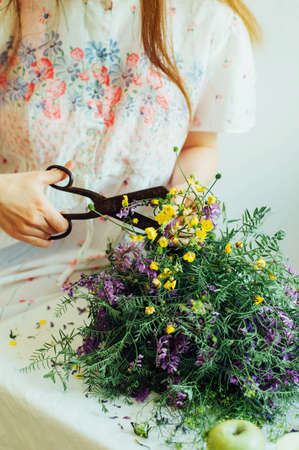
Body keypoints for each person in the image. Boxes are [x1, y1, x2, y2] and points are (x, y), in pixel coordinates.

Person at [0, 0, 261, 322]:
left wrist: (186, 197)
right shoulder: (12, 11)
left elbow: (199, 144)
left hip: (134, 290)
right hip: (9, 268)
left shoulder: (210, 23)